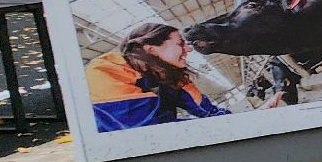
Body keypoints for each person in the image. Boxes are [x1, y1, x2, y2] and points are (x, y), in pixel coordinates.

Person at [85, 23, 229, 131]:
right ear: (151, 50)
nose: (189, 49)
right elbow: (153, 131)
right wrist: (217, 127)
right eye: (180, 43)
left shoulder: (169, 74)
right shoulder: (104, 72)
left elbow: (207, 110)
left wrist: (228, 120)